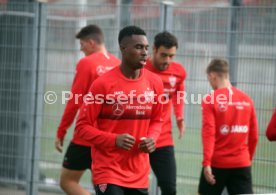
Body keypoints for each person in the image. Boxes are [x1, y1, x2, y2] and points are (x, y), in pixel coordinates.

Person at [75, 25, 164, 195]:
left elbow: (157, 120)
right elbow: (82, 127)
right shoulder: (102, 84)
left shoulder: (155, 83)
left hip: (138, 173)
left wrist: (152, 138)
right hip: (108, 171)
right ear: (123, 49)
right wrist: (114, 139)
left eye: (146, 48)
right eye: (138, 47)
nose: (144, 52)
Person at [55, 24, 121, 195]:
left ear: (92, 42)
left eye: (82, 44)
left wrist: (61, 131)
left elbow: (74, 102)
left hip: (86, 137)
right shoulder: (118, 64)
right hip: (110, 137)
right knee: (101, 185)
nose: (81, 49)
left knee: (67, 181)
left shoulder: (87, 63)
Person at [198, 58, 258, 195]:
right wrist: (247, 160)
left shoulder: (210, 99)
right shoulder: (247, 99)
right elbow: (254, 136)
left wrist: (207, 163)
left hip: (217, 164)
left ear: (212, 76)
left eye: (209, 79)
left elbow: (209, 133)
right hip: (242, 164)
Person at [145, 31, 186, 195]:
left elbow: (178, 92)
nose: (167, 60)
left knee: (169, 188)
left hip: (162, 138)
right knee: (135, 188)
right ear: (153, 49)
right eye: (164, 55)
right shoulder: (139, 69)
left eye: (171, 56)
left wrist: (180, 116)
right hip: (137, 138)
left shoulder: (178, 72)